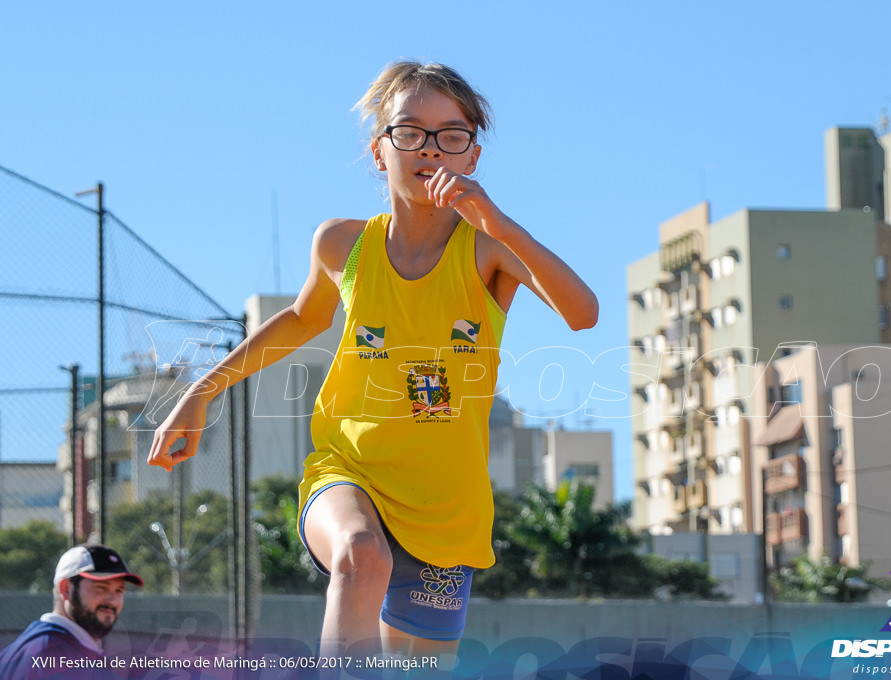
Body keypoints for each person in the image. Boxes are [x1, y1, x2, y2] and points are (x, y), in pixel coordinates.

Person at [147, 60, 598, 662]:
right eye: (409, 131)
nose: (430, 149)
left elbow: (582, 313)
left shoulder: (490, 248)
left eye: (451, 135)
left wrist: (499, 222)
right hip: (349, 471)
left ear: (472, 157)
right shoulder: (342, 244)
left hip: (446, 511)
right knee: (362, 553)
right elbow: (301, 321)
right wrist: (200, 391)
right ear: (378, 152)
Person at [0, 544, 144, 680]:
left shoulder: (37, 648)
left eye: (119, 591)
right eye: (101, 587)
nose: (112, 601)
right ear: (66, 589)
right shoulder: (52, 655)